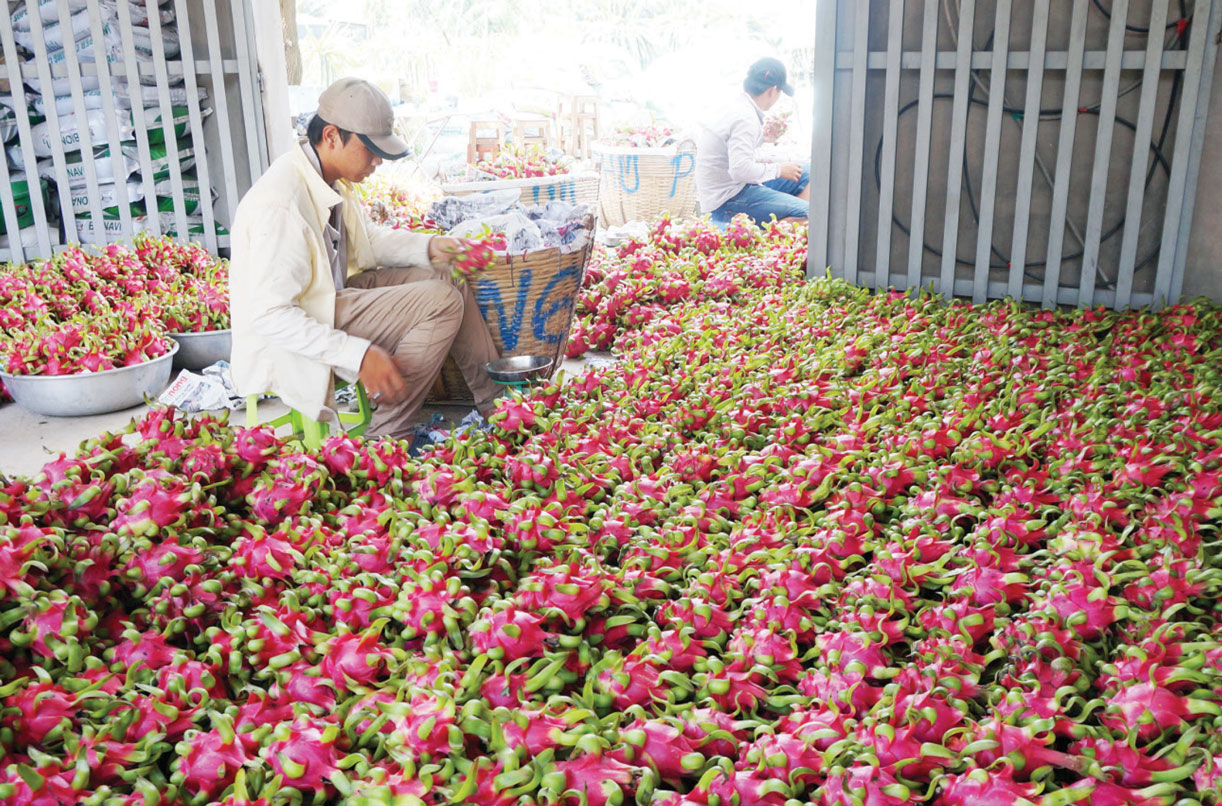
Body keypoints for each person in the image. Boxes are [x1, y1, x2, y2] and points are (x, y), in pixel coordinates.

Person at [229, 77, 502, 441]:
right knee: (440, 302)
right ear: (331, 136)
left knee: (447, 275)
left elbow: (365, 242)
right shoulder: (280, 204)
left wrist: (433, 247)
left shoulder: (326, 176)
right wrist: (357, 355)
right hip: (290, 333)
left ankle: (497, 405)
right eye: (370, 149)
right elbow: (272, 316)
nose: (377, 161)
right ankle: (387, 438)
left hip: (327, 299)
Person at [695, 57, 810, 227]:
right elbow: (740, 170)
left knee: (806, 172)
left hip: (729, 189)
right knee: (811, 213)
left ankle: (787, 215)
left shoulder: (738, 107)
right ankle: (772, 233)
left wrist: (764, 139)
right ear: (772, 91)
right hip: (727, 200)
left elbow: (735, 154)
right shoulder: (746, 118)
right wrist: (779, 169)